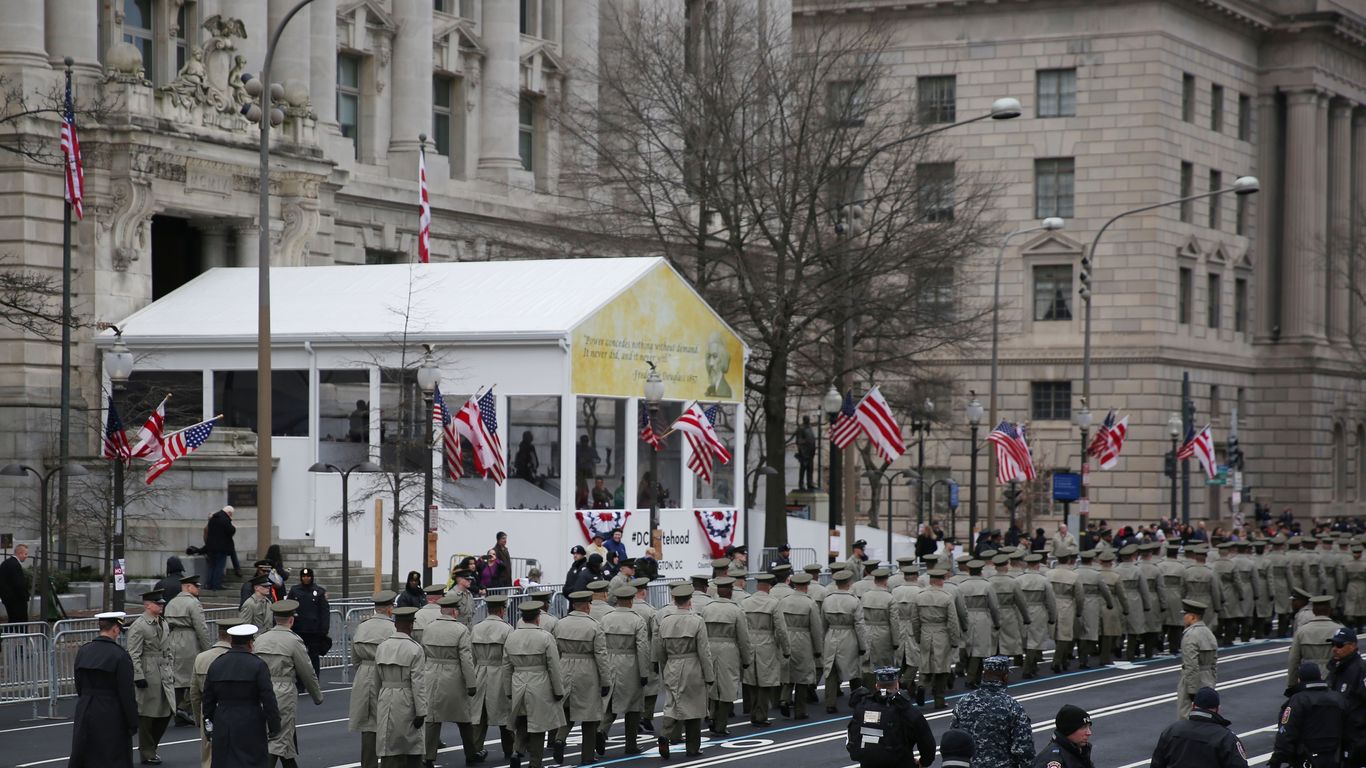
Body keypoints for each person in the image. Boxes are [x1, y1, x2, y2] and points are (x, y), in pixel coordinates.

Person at [253, 600, 324, 768]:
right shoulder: (293, 641)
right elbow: (307, 671)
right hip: (283, 691)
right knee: (279, 738)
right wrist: (317, 696)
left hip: (261, 689)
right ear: (291, 620)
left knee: (282, 739)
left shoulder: (260, 639)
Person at [203, 624, 282, 768]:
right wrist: (274, 726)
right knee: (252, 761)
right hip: (251, 720)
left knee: (224, 761)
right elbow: (268, 699)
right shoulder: (258, 665)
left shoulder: (216, 664)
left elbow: (208, 699)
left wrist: (208, 726)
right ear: (250, 643)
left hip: (223, 719)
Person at [70, 611, 139, 768]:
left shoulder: (84, 651)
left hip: (85, 708)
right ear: (115, 629)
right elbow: (126, 693)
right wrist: (132, 722)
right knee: (112, 756)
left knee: (85, 753)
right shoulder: (120, 656)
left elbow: (79, 684)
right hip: (111, 711)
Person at [655, 585, 714, 759]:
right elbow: (704, 651)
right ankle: (693, 747)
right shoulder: (696, 620)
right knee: (694, 708)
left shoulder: (665, 621)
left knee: (672, 703)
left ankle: (665, 734)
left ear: (674, 600)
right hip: (692, 665)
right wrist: (709, 676)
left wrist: (667, 666)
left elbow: (660, 650)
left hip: (672, 664)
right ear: (690, 600)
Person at [504, 600, 566, 768]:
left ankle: (517, 751)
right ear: (538, 617)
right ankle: (535, 763)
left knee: (523, 721)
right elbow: (554, 666)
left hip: (518, 682)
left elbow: (506, 666)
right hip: (540, 682)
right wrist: (558, 690)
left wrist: (508, 690)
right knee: (539, 726)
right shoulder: (545, 637)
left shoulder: (511, 637)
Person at [551, 591, 610, 765]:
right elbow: (601, 655)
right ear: (586, 605)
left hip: (565, 665)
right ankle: (587, 756)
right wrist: (606, 680)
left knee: (568, 710)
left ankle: (560, 739)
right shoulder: (594, 626)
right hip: (587, 669)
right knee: (590, 716)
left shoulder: (559, 624)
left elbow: (555, 651)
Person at [423, 589, 479, 768]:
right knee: (464, 718)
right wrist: (471, 683)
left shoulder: (429, 628)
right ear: (455, 611)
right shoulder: (460, 629)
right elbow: (466, 659)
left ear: (441, 610)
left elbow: (423, 653)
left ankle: (429, 756)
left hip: (431, 673)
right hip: (453, 675)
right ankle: (471, 753)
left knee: (432, 718)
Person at [950, 656, 1035, 768]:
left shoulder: (963, 702)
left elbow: (953, 738)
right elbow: (1024, 749)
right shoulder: (1012, 706)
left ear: (983, 675)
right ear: (1005, 677)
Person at [846, 667, 936, 768]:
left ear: (876, 686)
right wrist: (923, 762)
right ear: (897, 685)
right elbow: (928, 747)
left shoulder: (863, 707)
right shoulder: (907, 710)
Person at [376, 606, 429, 768]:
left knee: (388, 742)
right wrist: (421, 711)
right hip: (406, 697)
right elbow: (418, 683)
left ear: (395, 624)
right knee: (411, 744)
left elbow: (376, 679)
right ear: (411, 625)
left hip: (385, 696)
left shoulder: (382, 646)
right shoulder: (415, 649)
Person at [350, 591, 398, 768]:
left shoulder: (362, 627)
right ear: (390, 609)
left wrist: (363, 670)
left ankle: (368, 764)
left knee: (369, 725)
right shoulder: (392, 629)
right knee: (389, 721)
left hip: (364, 673)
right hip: (386, 674)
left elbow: (354, 657)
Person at [602, 586, 651, 755]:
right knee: (633, 706)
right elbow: (642, 648)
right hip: (630, 664)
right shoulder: (637, 620)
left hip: (609, 660)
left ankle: (601, 730)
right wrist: (644, 672)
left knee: (610, 702)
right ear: (631, 600)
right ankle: (630, 744)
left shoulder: (606, 618)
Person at [128, 590, 176, 765]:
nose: (161, 605)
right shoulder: (139, 625)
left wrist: (171, 667)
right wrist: (138, 675)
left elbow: (168, 648)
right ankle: (147, 751)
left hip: (163, 670)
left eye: (162, 603)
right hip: (149, 671)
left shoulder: (163, 623)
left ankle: (151, 748)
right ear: (147, 605)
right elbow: (133, 653)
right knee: (148, 715)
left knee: (166, 711)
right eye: (157, 603)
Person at [1269, 663, 1348, 768]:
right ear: (1319, 677)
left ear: (1299, 679)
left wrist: (1277, 759)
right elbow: (1350, 729)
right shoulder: (1338, 698)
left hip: (1306, 759)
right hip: (1335, 757)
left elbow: (1286, 732)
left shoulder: (1298, 700)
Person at [1150, 688, 1249, 768]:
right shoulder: (1225, 738)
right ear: (1218, 709)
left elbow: (1156, 764)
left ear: (1193, 706)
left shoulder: (1171, 731)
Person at [742, 573, 791, 727]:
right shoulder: (774, 603)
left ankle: (753, 712)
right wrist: (786, 649)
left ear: (757, 586)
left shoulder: (745, 602)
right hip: (767, 644)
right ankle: (761, 715)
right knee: (765, 682)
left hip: (749, 642)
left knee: (751, 680)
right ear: (769, 586)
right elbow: (781, 629)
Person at [471, 595, 516, 761]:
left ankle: (475, 748)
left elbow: (471, 655)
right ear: (501, 610)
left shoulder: (476, 628)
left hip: (480, 670)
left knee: (479, 714)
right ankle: (510, 749)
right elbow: (509, 657)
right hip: (499, 672)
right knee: (505, 713)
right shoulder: (507, 629)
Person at [191, 618, 239, 768]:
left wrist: (198, 718)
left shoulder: (201, 658)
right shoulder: (238, 658)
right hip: (233, 710)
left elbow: (194, 693)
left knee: (208, 756)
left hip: (207, 712)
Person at [164, 575, 211, 726]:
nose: (199, 589)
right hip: (189, 640)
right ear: (188, 587)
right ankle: (183, 708)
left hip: (173, 639)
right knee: (193, 677)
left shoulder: (171, 602)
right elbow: (201, 628)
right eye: (196, 586)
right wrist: (208, 650)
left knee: (176, 678)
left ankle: (177, 711)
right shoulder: (193, 603)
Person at [822, 570, 869, 713]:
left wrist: (825, 638)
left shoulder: (827, 599)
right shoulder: (854, 600)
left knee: (830, 669)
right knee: (854, 669)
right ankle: (856, 700)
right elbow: (859, 625)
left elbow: (823, 623)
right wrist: (863, 645)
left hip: (831, 634)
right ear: (849, 583)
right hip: (849, 635)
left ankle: (830, 703)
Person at [1290, 596, 1346, 687]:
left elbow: (1293, 660)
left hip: (1308, 677)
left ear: (1313, 611)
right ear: (1329, 610)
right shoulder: (1340, 630)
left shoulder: (1301, 632)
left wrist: (1291, 684)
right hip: (1333, 676)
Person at [1177, 599, 1218, 719]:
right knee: (1208, 716)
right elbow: (1214, 662)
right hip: (1208, 679)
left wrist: (1191, 691)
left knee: (1187, 715)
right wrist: (1212, 681)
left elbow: (1191, 665)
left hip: (1194, 681)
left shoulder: (1190, 635)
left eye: (1185, 615)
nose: (1184, 618)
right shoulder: (1208, 633)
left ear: (1192, 617)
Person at [285, 568, 331, 676]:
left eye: (308, 576)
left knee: (313, 658)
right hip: (298, 630)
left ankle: (314, 681)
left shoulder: (319, 592)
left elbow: (324, 612)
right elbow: (289, 607)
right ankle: (300, 683)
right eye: (304, 576)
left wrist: (324, 630)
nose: (306, 578)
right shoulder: (295, 590)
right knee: (298, 658)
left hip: (314, 631)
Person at [204, 506, 238, 591]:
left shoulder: (213, 518)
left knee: (212, 566)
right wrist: (233, 527)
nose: (231, 516)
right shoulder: (225, 519)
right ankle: (217, 584)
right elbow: (231, 530)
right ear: (229, 513)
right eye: (231, 514)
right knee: (219, 566)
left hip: (211, 547)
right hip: (221, 548)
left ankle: (209, 584)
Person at [0, 543, 29, 623]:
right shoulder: (15, 565)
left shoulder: (5, 563)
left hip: (8, 599)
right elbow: (19, 584)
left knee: (12, 621)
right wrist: (25, 596)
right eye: (25, 554)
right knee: (20, 622)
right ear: (19, 553)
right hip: (17, 600)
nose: (26, 556)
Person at [794, 417, 816, 490]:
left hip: (811, 452)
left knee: (810, 469)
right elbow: (798, 441)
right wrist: (802, 449)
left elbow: (812, 439)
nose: (808, 420)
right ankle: (801, 484)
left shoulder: (810, 428)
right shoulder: (801, 428)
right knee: (803, 469)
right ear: (804, 420)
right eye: (807, 419)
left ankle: (810, 483)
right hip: (804, 452)